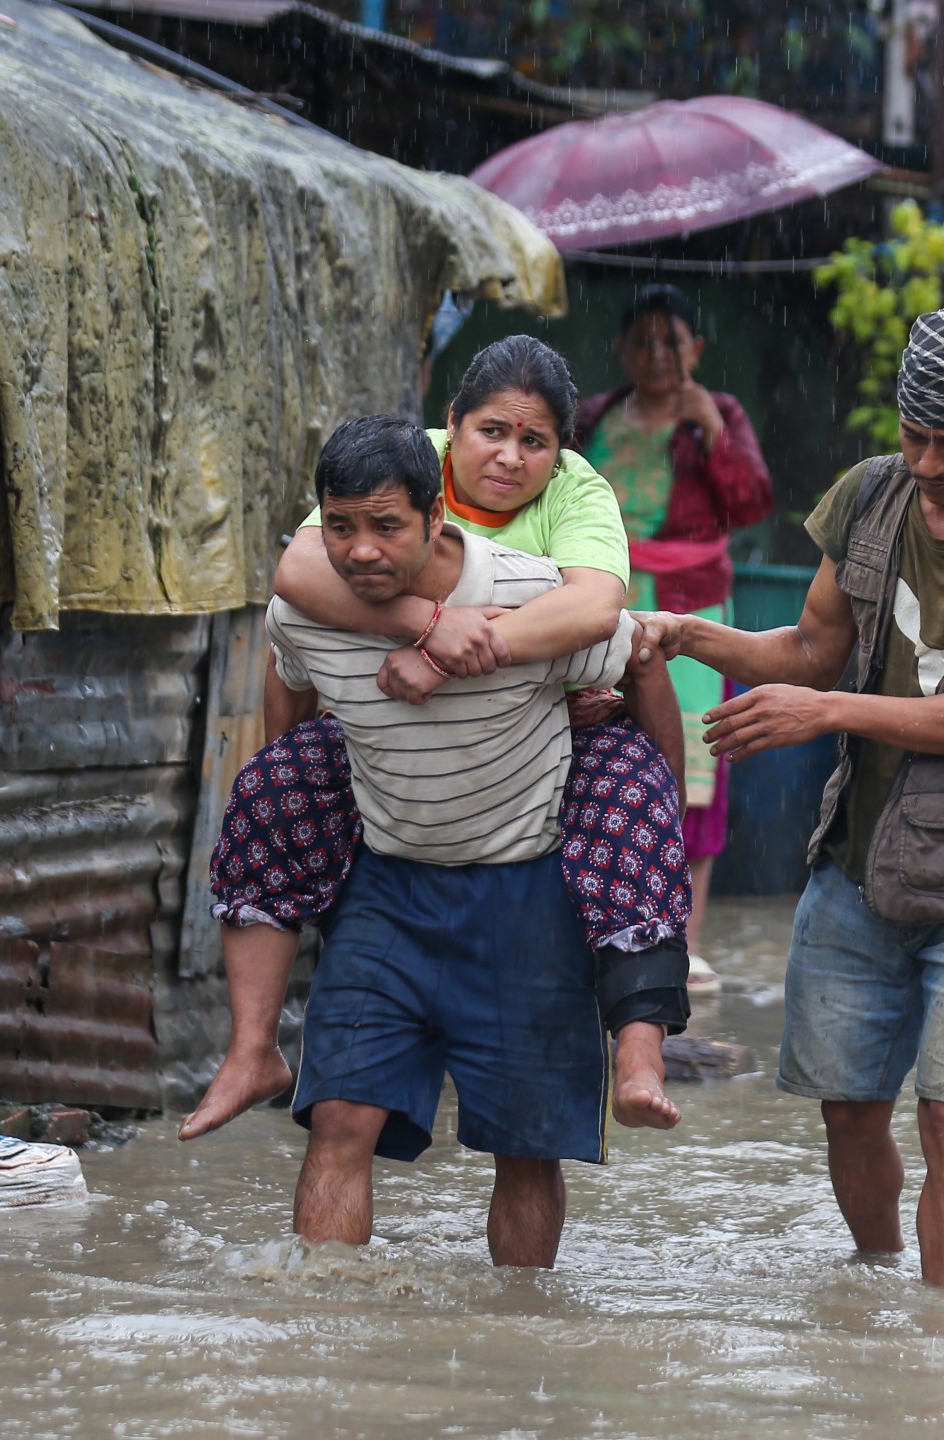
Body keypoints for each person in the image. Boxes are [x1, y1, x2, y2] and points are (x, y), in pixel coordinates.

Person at [635, 306, 944, 1289]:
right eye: (914, 438)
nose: (931, 463)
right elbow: (813, 645)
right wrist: (684, 634)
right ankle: (875, 1293)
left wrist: (827, 709)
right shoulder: (869, 497)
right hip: (856, 863)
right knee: (848, 1110)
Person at [180, 336, 692, 1144]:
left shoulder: (576, 494)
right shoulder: (394, 469)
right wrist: (427, 626)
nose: (510, 457)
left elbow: (600, 615)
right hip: (396, 732)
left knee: (636, 805)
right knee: (272, 787)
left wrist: (450, 659)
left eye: (535, 441)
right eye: (491, 432)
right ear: (451, 428)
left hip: (564, 711)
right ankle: (252, 1050)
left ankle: (641, 1054)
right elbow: (299, 576)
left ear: (560, 454)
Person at [270, 415, 649, 1266]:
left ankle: (514, 1357)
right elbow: (287, 686)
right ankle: (318, 1343)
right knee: (339, 1119)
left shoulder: (533, 596)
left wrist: (647, 807)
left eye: (385, 526)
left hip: (526, 894)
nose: (359, 550)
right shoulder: (303, 610)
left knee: (524, 1146)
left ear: (438, 517)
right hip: (385, 888)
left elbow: (629, 655)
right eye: (339, 526)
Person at [576, 284, 773, 988]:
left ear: (696, 351)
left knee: (693, 763)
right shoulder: (594, 414)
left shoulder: (717, 415)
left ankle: (684, 939)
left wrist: (711, 429)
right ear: (624, 351)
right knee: (599, 743)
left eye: (672, 340)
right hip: (604, 599)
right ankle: (608, 925)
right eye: (643, 341)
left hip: (688, 609)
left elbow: (750, 500)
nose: (657, 354)